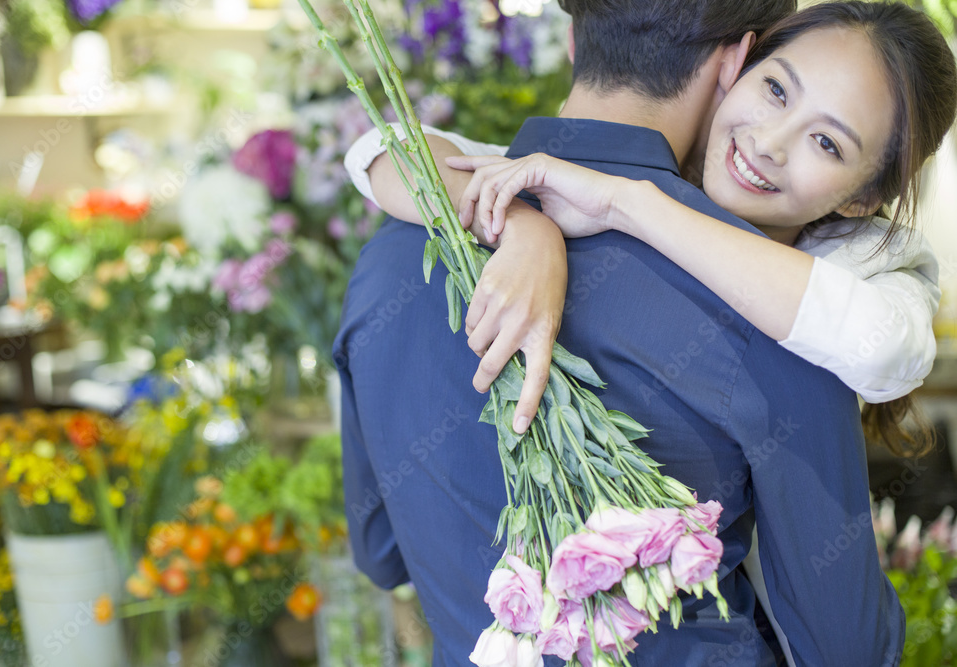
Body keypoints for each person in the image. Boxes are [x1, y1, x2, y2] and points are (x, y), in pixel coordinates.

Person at [333, 1, 909, 664]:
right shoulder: (776, 309)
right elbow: (848, 647)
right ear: (734, 65)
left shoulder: (391, 257)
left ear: (573, 35)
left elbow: (380, 551)